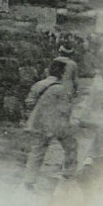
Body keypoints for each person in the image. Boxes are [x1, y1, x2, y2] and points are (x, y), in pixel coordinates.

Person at [23, 58, 79, 189]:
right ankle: (68, 173)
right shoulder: (62, 89)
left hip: (39, 123)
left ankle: (29, 180)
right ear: (62, 72)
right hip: (57, 124)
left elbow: (29, 103)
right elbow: (65, 109)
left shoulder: (39, 84)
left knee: (37, 151)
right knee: (71, 146)